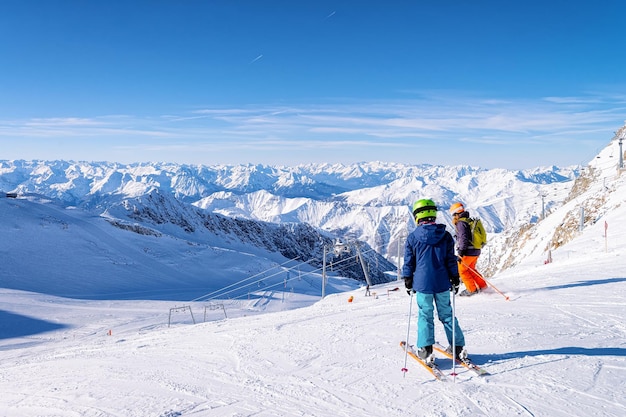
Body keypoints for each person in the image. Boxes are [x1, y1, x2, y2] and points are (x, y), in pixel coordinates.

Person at [402, 199, 467, 363]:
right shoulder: (445, 236)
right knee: (447, 314)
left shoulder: (412, 238)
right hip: (443, 283)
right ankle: (458, 347)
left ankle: (425, 349)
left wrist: (408, 280)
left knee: (425, 315)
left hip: (422, 284)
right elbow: (451, 260)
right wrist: (455, 278)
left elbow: (409, 262)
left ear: (417, 216)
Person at [449, 202, 488, 296]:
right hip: (476, 250)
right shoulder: (468, 220)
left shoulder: (461, 223)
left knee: (462, 270)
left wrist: (461, 252)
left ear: (456, 214)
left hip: (468, 251)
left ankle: (471, 290)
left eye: (453, 215)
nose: (453, 217)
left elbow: (463, 238)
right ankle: (483, 286)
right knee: (471, 269)